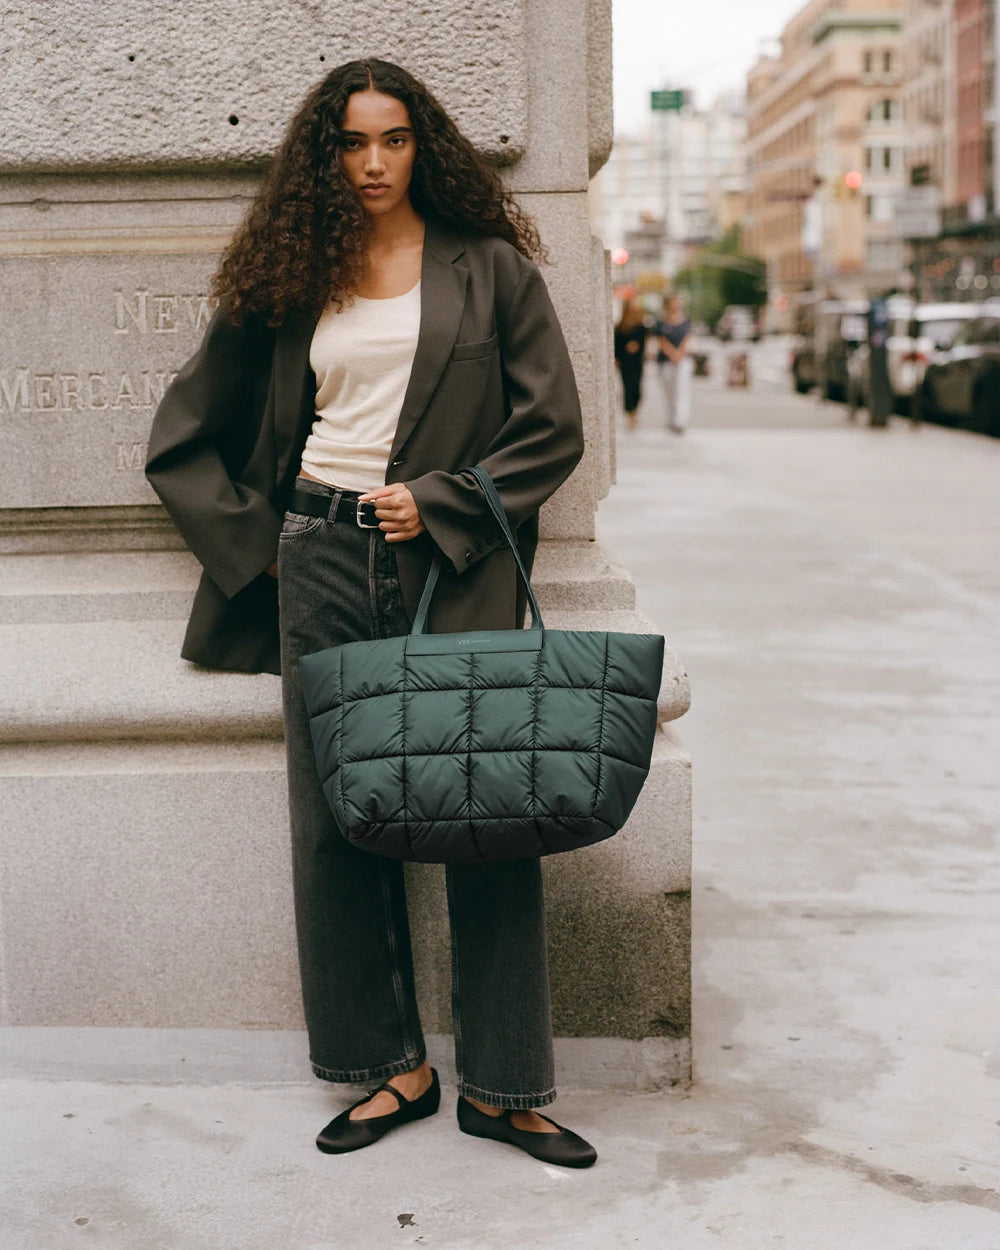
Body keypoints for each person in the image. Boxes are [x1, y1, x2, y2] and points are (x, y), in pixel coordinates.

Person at [145, 59, 596, 1169]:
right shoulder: (291, 277)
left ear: (423, 146)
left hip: (451, 567)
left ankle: (504, 1084)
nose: (374, 163)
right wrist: (269, 552)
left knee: (489, 803)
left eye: (392, 139)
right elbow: (181, 437)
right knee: (336, 815)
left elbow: (551, 428)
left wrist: (440, 500)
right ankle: (388, 1064)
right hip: (323, 562)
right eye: (351, 144)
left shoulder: (490, 270)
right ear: (324, 158)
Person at [657, 293, 693, 433]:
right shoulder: (661, 322)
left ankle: (680, 421)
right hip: (666, 361)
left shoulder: (686, 320)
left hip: (682, 361)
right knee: (670, 392)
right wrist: (672, 354)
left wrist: (679, 354)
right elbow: (661, 341)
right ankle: (672, 419)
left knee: (682, 391)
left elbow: (686, 338)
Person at [613, 297, 648, 428]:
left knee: (637, 389)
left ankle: (635, 410)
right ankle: (630, 414)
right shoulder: (621, 327)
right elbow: (617, 344)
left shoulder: (640, 326)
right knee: (627, 388)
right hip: (625, 362)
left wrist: (636, 347)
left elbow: (643, 343)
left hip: (637, 362)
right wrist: (617, 358)